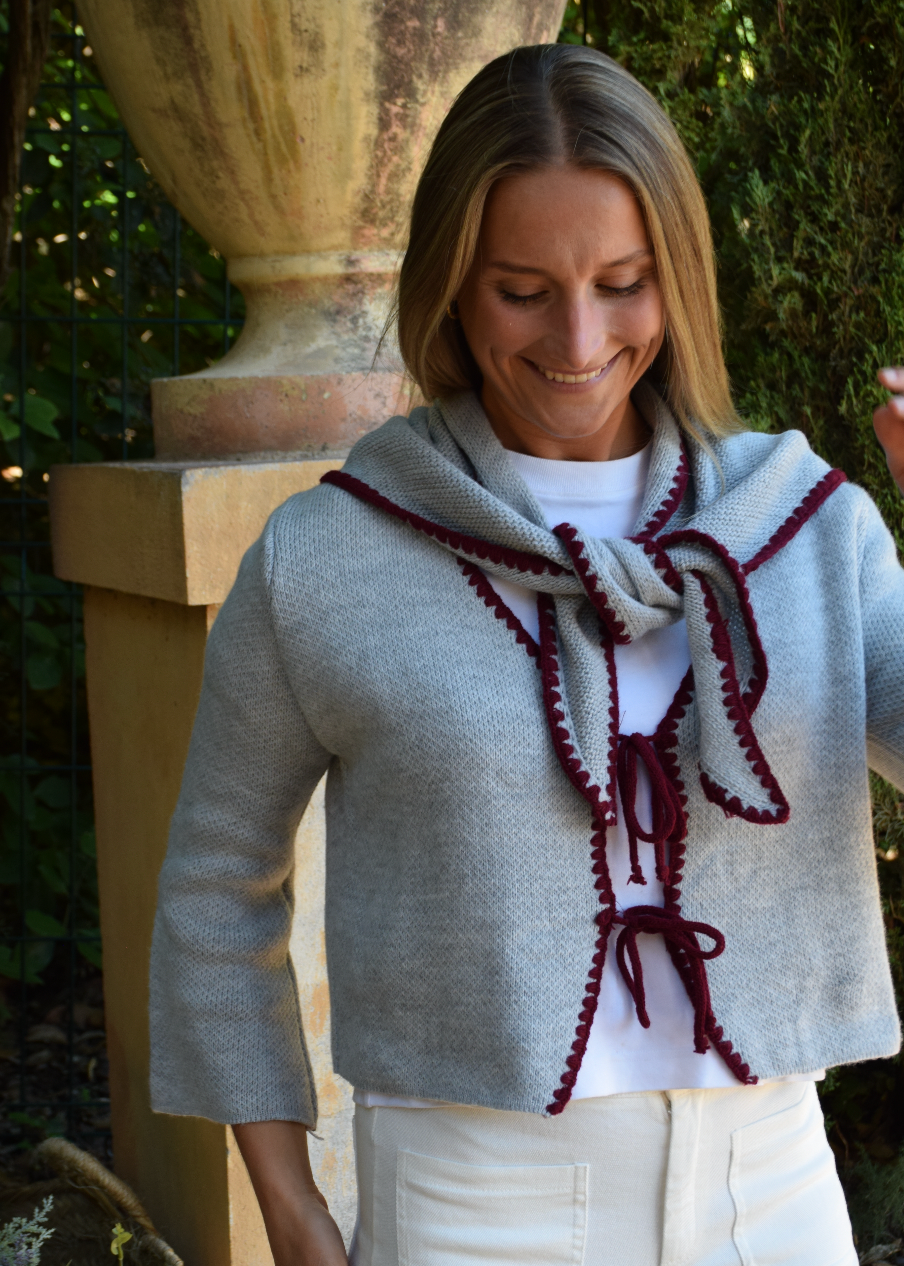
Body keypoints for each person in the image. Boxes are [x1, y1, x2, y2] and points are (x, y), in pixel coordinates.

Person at [149, 43, 904, 1266]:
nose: (579, 336)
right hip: (470, 1208)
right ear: (450, 284)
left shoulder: (804, 526)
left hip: (771, 1198)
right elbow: (213, 885)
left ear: (678, 279)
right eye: (521, 290)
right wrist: (289, 1207)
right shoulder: (328, 558)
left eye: (623, 282)